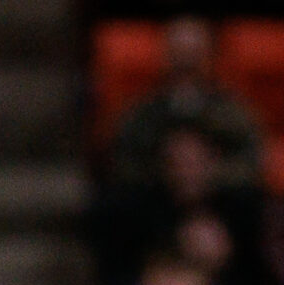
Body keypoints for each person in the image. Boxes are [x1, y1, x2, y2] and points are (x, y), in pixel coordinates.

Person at [106, 15, 264, 195]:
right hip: (155, 202)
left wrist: (209, 175)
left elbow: (252, 160)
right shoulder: (141, 114)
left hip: (220, 202)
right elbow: (124, 161)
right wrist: (170, 174)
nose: (186, 66)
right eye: (180, 57)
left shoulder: (233, 113)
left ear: (208, 56)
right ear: (166, 56)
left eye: (192, 57)